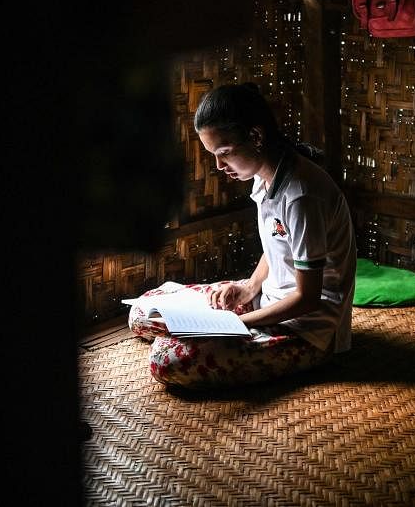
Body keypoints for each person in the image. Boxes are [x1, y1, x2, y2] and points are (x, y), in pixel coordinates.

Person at [128, 82, 356, 389]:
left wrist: (233, 324)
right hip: (268, 301)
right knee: (143, 313)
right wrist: (248, 287)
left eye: (224, 153)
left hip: (307, 327)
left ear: (256, 136)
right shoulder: (266, 175)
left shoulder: (301, 196)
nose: (219, 166)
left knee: (166, 360)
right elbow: (280, 244)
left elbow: (307, 298)